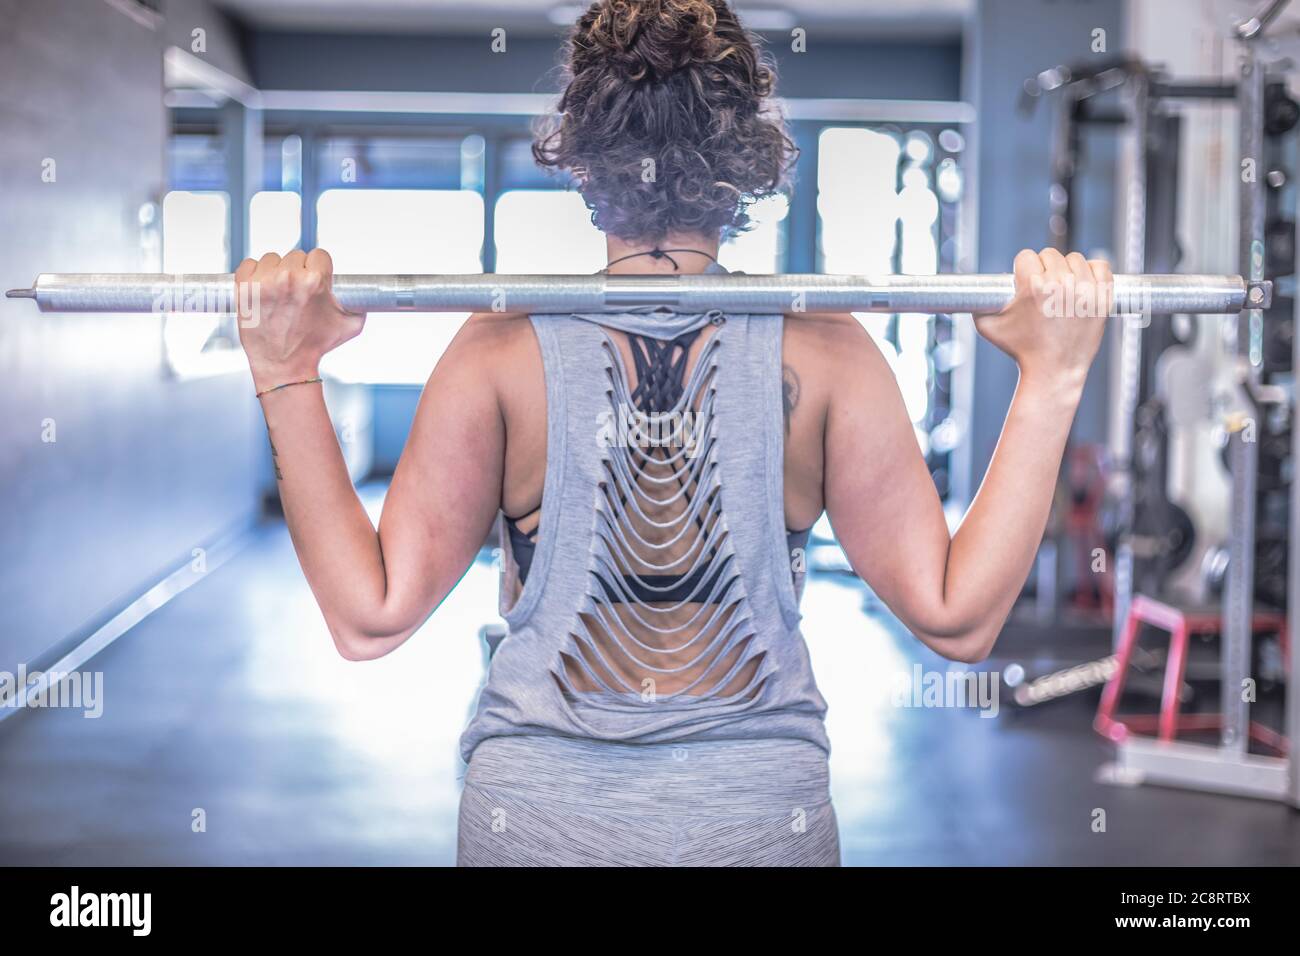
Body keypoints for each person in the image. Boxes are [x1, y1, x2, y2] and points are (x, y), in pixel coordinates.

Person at [233, 0, 1112, 866]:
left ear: (583, 159)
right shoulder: (831, 352)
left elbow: (369, 618)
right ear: (743, 162)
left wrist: (286, 371)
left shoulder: (497, 350)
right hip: (759, 822)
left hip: (537, 822)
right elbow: (959, 621)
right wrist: (1052, 376)